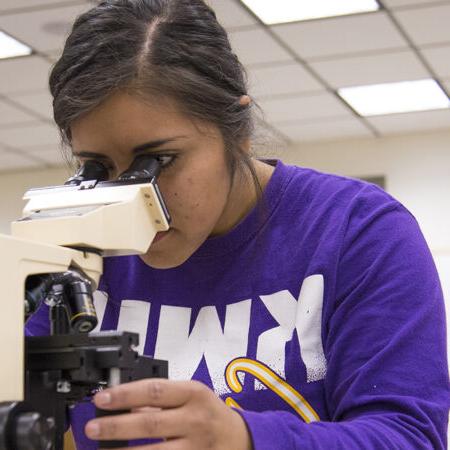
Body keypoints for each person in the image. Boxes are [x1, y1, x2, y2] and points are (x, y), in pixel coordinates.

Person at [25, 0, 449, 448]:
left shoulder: (359, 231)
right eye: (98, 167)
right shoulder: (78, 245)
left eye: (159, 161)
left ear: (237, 133)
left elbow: (410, 437)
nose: (131, 196)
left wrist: (245, 439)